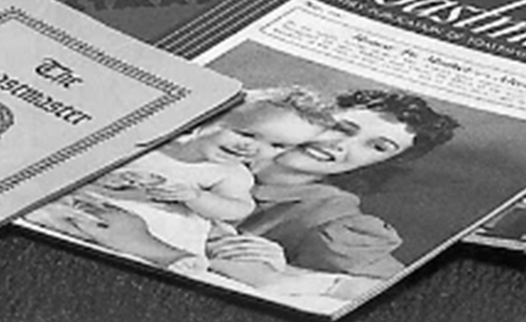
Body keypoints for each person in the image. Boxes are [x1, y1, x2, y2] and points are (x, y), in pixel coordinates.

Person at [43, 88, 461, 301]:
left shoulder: (334, 218)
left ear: (380, 165)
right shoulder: (217, 145)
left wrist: (284, 272)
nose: (339, 146)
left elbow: (391, 293)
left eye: (376, 147)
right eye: (342, 128)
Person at [25, 86, 335, 256]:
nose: (252, 148)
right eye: (247, 134)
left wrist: (196, 197)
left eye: (277, 146)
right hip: (95, 205)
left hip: (160, 225)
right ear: (210, 119)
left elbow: (238, 208)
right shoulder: (159, 144)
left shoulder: (230, 174)